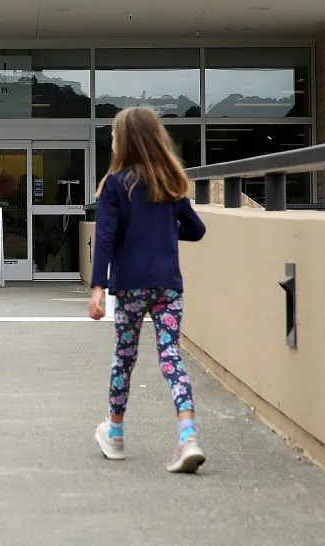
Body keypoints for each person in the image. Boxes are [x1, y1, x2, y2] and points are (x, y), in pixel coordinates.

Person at [87, 106, 207, 473]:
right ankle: (188, 436)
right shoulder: (168, 183)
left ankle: (116, 432)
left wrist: (97, 287)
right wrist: (167, 230)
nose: (110, 139)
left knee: (125, 356)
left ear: (124, 141)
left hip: (130, 288)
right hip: (168, 285)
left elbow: (105, 238)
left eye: (112, 134)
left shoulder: (115, 185)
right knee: (170, 354)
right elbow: (197, 229)